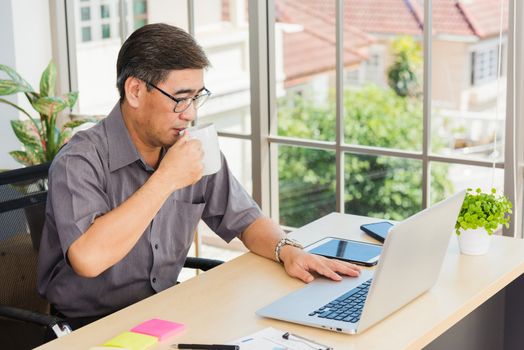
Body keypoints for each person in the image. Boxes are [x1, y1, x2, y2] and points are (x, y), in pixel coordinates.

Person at [37, 23, 360, 329]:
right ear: (135, 90)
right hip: (90, 326)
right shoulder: (79, 161)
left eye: (196, 97)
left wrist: (289, 251)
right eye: (180, 98)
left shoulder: (190, 147)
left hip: (167, 310)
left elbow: (246, 219)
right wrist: (166, 178)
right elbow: (88, 260)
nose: (190, 113)